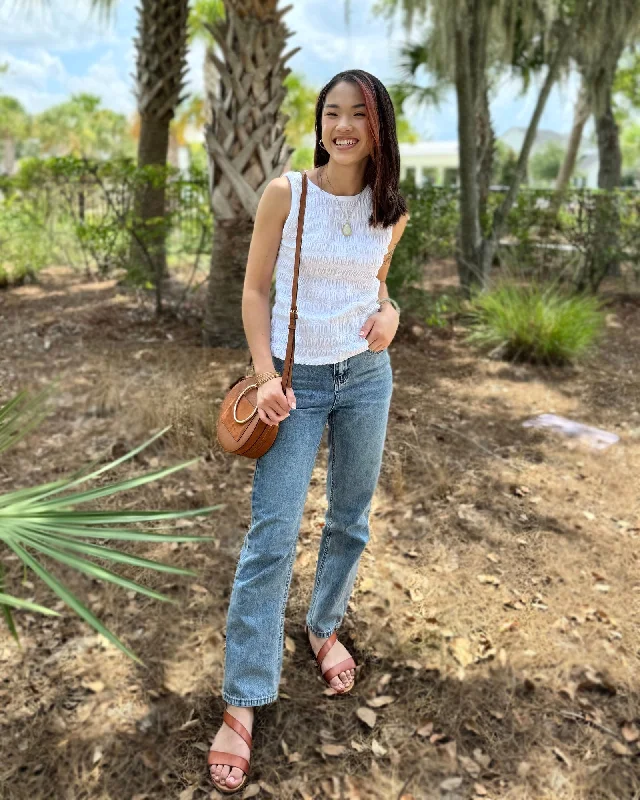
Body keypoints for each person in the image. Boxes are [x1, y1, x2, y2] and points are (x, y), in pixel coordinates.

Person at [208, 68, 409, 794]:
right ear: (320, 122)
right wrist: (265, 377)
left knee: (350, 520)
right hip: (294, 384)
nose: (343, 125)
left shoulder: (392, 206)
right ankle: (244, 694)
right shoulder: (286, 193)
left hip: (366, 378)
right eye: (332, 113)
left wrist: (392, 316)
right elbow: (256, 289)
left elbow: (374, 283)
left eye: (358, 114)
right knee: (272, 533)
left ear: (379, 123)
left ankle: (323, 627)